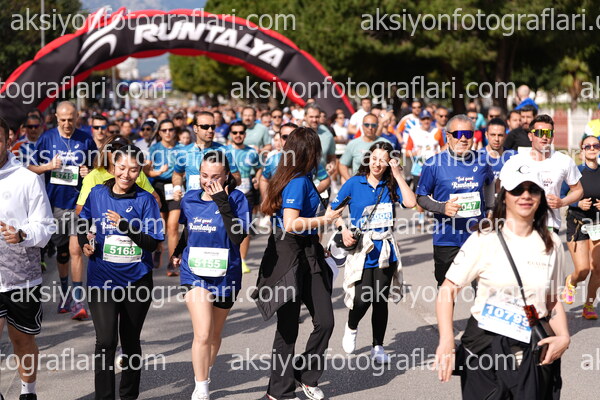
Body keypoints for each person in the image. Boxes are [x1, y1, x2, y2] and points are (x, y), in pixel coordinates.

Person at [435, 162, 568, 399]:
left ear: (540, 197)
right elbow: (448, 290)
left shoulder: (552, 244)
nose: (525, 195)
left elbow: (551, 301)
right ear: (504, 196)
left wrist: (564, 337)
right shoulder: (484, 239)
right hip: (484, 351)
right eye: (517, 189)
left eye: (533, 189)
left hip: (533, 352)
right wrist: (446, 340)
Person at [254, 127, 344, 400]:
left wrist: (318, 242)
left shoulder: (303, 178)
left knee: (325, 321)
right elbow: (291, 224)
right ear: (308, 152)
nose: (319, 155)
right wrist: (325, 220)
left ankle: (304, 373)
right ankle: (278, 392)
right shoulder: (296, 181)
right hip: (288, 255)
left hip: (309, 251)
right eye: (316, 149)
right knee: (288, 326)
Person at [79, 144, 164, 400]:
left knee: (130, 341)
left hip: (136, 281)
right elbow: (84, 221)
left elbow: (153, 243)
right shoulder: (97, 193)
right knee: (105, 341)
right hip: (102, 280)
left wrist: (125, 225)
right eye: (122, 168)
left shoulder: (145, 200)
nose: (126, 174)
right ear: (112, 167)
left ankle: (128, 396)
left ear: (140, 171)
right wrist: (85, 241)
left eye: (133, 170)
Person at [170, 150, 249, 400]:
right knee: (203, 332)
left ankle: (206, 370)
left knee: (215, 334)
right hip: (194, 273)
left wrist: (222, 201)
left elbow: (238, 236)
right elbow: (188, 230)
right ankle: (201, 386)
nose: (208, 181)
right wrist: (178, 250)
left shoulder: (237, 199)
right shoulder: (190, 199)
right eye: (204, 175)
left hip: (226, 273)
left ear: (226, 176)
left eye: (215, 176)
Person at [334, 141, 416, 364]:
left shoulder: (391, 185)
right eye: (374, 158)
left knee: (380, 299)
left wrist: (398, 174)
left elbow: (411, 202)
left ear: (389, 163)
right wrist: (343, 230)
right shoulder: (354, 183)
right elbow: (333, 211)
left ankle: (377, 346)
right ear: (368, 159)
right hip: (362, 249)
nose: (377, 164)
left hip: (385, 250)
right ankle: (351, 326)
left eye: (383, 160)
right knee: (362, 299)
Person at [0, 117, 54, 400]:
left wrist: (22, 235)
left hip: (21, 277)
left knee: (22, 340)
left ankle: (27, 392)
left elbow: (45, 225)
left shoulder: (27, 178)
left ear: (8, 140)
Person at [29, 101, 96, 320]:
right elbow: (30, 168)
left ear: (77, 117)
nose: (67, 124)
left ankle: (78, 300)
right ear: (57, 118)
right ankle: (65, 293)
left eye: (71, 119)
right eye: (63, 120)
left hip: (79, 204)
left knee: (76, 250)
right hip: (55, 204)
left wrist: (89, 171)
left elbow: (98, 168)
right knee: (63, 253)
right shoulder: (47, 138)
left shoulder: (85, 139)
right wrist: (48, 167)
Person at [416, 114, 495, 286]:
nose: (463, 139)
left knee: (482, 287)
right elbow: (421, 197)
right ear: (448, 136)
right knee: (447, 288)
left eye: (468, 134)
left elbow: (490, 183)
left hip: (476, 236)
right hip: (446, 238)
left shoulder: (482, 161)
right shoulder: (433, 164)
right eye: (458, 134)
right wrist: (442, 207)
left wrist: (490, 208)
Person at [501, 114, 583, 233]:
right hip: (520, 223)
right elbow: (503, 193)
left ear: (552, 136)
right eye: (539, 133)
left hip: (549, 224)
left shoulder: (564, 161)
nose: (544, 137)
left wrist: (562, 202)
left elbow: (578, 191)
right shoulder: (515, 162)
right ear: (530, 136)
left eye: (548, 133)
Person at [560, 135, 600, 318]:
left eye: (595, 145)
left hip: (597, 224)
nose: (592, 148)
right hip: (577, 223)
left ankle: (589, 305)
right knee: (583, 270)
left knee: (598, 269)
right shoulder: (575, 172)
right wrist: (578, 203)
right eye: (588, 146)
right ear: (582, 150)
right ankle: (571, 282)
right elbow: (562, 197)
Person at [173, 112, 240, 198]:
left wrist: (225, 183)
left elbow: (237, 177)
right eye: (205, 127)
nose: (210, 130)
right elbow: (177, 174)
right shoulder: (184, 152)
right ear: (195, 128)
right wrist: (177, 188)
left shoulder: (224, 151)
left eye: (213, 127)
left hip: (216, 201)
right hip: (192, 202)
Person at [225, 122, 262, 273]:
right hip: (228, 193)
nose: (238, 135)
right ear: (230, 134)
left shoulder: (251, 152)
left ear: (245, 134)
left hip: (247, 193)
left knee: (244, 226)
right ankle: (227, 258)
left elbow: (259, 168)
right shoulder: (225, 151)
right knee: (226, 226)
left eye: (241, 132)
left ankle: (242, 259)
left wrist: (257, 178)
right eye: (235, 133)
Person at [148, 119, 182, 276]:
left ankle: (172, 263)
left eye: (170, 129)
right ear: (159, 132)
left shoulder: (181, 148)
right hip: (159, 187)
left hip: (176, 187)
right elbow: (146, 171)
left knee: (173, 226)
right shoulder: (154, 148)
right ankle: (159, 248)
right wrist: (158, 172)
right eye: (164, 130)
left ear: (175, 131)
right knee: (160, 227)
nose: (168, 133)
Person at [339, 114, 390, 181]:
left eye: (373, 125)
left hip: (381, 183)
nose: (370, 128)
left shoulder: (385, 143)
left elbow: (393, 164)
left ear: (377, 126)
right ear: (362, 126)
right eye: (367, 125)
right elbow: (342, 164)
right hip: (359, 183)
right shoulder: (353, 144)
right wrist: (351, 181)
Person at [477, 118, 516, 183]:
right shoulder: (477, 157)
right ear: (486, 135)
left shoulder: (514, 156)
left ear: (505, 136)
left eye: (500, 135)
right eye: (493, 135)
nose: (496, 139)